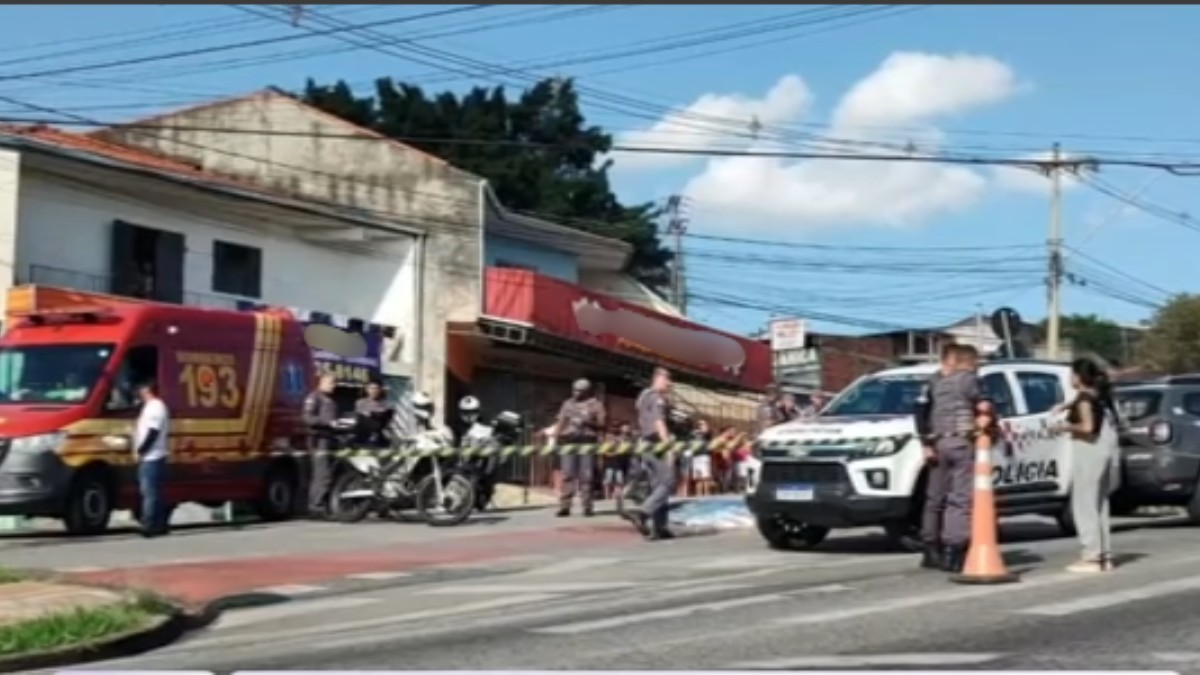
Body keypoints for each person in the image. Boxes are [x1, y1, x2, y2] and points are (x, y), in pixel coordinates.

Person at [918, 344, 980, 572]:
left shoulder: (941, 383)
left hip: (940, 442)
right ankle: (944, 549)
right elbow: (921, 413)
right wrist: (925, 442)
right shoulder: (939, 382)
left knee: (939, 498)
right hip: (951, 442)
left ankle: (938, 547)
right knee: (950, 498)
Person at [1056, 358, 1120, 573]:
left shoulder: (1084, 399)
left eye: (1071, 374)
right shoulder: (1099, 396)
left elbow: (1088, 426)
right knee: (1100, 504)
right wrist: (1064, 406)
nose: (1069, 378)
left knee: (1084, 504)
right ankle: (1105, 556)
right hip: (1104, 451)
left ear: (1078, 376)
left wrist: (1064, 427)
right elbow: (1082, 405)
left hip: (1089, 451)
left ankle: (1091, 556)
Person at [624, 367, 676, 540]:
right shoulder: (655, 398)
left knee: (658, 486)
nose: (669, 383)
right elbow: (658, 422)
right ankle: (643, 514)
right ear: (658, 378)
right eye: (667, 379)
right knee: (668, 482)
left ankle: (660, 527)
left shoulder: (644, 396)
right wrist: (667, 444)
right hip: (656, 444)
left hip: (645, 444)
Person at [552, 378, 606, 517]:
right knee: (567, 474)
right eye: (574, 390)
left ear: (587, 391)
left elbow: (602, 424)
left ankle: (587, 506)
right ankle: (565, 506)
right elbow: (561, 421)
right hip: (568, 441)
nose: (576, 393)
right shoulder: (567, 403)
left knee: (586, 475)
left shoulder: (596, 405)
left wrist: (586, 422)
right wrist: (556, 437)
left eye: (580, 391)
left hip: (587, 441)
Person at [134, 381, 170, 538]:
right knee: (154, 491)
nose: (140, 392)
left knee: (149, 492)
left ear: (148, 390)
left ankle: (149, 525)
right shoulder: (150, 407)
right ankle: (160, 523)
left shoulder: (156, 407)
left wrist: (142, 450)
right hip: (152, 455)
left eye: (142, 389)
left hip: (152, 456)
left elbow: (153, 432)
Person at [303, 373, 339, 519]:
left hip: (330, 440)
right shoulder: (314, 397)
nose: (333, 385)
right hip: (318, 440)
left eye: (334, 383)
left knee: (328, 475)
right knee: (321, 475)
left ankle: (323, 505)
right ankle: (315, 507)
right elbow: (307, 418)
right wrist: (327, 422)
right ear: (322, 382)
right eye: (331, 382)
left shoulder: (331, 401)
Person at [353, 379, 393, 448]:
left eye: (376, 388)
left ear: (380, 390)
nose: (373, 391)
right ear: (366, 389)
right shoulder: (361, 402)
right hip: (363, 439)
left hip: (380, 440)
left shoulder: (387, 404)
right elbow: (362, 417)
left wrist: (373, 414)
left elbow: (386, 419)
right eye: (371, 388)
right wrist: (377, 415)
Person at [603, 423, 634, 500]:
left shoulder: (620, 439)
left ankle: (617, 496)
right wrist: (614, 452)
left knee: (619, 480)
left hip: (619, 464)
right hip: (609, 464)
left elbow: (623, 450)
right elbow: (606, 453)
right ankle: (607, 497)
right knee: (608, 481)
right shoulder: (607, 439)